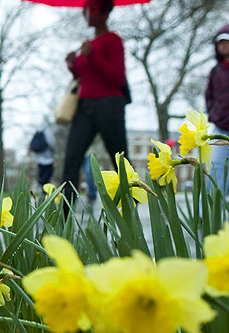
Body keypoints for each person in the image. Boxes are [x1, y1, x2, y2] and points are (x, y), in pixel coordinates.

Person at [61, 0, 128, 212]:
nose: (86, 14)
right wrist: (73, 66)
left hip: (109, 105)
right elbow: (86, 79)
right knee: (71, 160)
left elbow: (117, 78)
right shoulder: (88, 43)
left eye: (92, 9)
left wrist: (93, 57)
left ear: (105, 13)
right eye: (85, 9)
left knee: (120, 159)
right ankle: (63, 217)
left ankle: (130, 207)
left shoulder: (112, 40)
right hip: (84, 107)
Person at [206, 24, 229, 194]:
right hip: (221, 128)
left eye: (227, 41)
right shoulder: (215, 71)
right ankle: (207, 216)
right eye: (220, 42)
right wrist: (214, 114)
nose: (224, 45)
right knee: (215, 169)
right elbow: (209, 96)